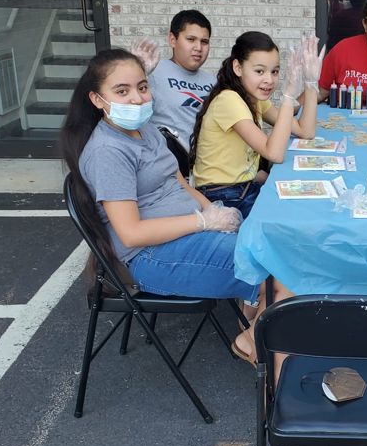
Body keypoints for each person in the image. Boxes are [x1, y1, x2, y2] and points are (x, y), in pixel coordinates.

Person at [60, 47, 258, 307]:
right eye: (122, 91)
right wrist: (203, 221)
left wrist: (213, 210)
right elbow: (131, 234)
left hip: (185, 236)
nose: (137, 99)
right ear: (97, 99)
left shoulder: (147, 129)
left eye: (142, 87)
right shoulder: (108, 151)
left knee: (272, 251)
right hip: (149, 257)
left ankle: (255, 322)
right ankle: (255, 328)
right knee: (272, 266)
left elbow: (179, 182)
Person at [190, 32, 322, 220]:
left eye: (274, 71)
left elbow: (305, 131)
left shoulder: (254, 99)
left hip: (242, 187)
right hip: (222, 195)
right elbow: (274, 153)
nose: (269, 80)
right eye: (259, 71)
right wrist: (288, 96)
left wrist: (310, 82)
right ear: (238, 67)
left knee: (304, 206)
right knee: (295, 217)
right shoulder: (229, 100)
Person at [132, 9, 215, 150]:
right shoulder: (152, 71)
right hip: (166, 159)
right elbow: (132, 113)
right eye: (191, 39)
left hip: (206, 160)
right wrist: (137, 74)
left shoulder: (213, 82)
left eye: (204, 42)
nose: (198, 48)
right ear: (172, 40)